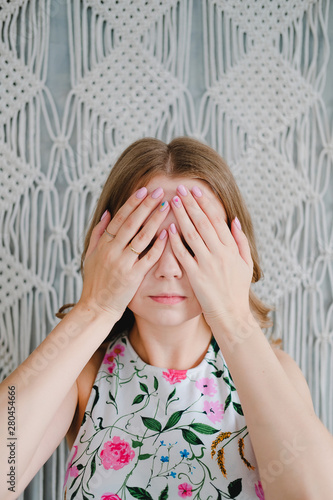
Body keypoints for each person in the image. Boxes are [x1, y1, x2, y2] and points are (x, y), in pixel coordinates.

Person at [0, 137, 332, 500]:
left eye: (194, 244)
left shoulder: (273, 373)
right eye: (144, 239)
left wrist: (233, 316)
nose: (169, 269)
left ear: (233, 253)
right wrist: (95, 308)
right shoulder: (82, 375)